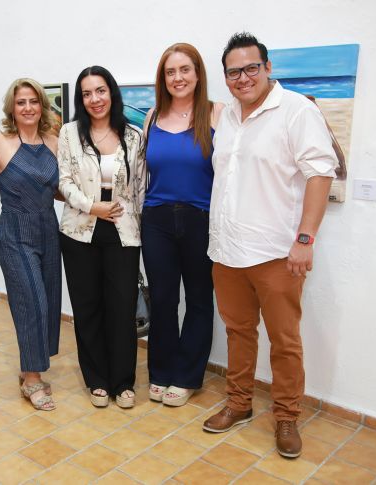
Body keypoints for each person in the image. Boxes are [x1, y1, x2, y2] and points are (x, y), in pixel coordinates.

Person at [202, 32, 337, 459]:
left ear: (267, 68)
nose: (243, 78)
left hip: (278, 253)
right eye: (233, 72)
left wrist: (305, 239)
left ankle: (286, 416)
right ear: (225, 77)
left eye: (251, 68)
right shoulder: (225, 118)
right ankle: (239, 404)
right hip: (226, 251)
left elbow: (320, 173)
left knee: (285, 340)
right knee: (238, 333)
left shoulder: (295, 110)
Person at [141, 43, 224, 407]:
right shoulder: (151, 117)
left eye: (184, 70)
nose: (178, 78)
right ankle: (161, 370)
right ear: (163, 78)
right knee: (161, 299)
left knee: (199, 300)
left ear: (197, 74)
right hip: (156, 219)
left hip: (200, 219)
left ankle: (189, 375)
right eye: (170, 72)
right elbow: (143, 174)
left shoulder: (216, 114)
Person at [58, 66, 146, 409]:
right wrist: (91, 206)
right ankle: (96, 379)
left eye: (100, 91)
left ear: (111, 93)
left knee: (122, 308)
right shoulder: (69, 133)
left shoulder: (134, 136)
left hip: (123, 232)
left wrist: (143, 230)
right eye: (86, 93)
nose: (94, 99)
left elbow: (139, 188)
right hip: (80, 230)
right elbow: (64, 181)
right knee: (88, 307)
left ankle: (123, 382)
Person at [0, 78, 62, 411]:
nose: (27, 108)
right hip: (15, 231)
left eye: (33, 101)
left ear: (41, 106)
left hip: (48, 228)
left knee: (50, 300)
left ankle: (31, 366)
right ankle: (32, 379)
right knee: (32, 303)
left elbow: (58, 188)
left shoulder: (54, 142)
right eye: (21, 102)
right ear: (11, 109)